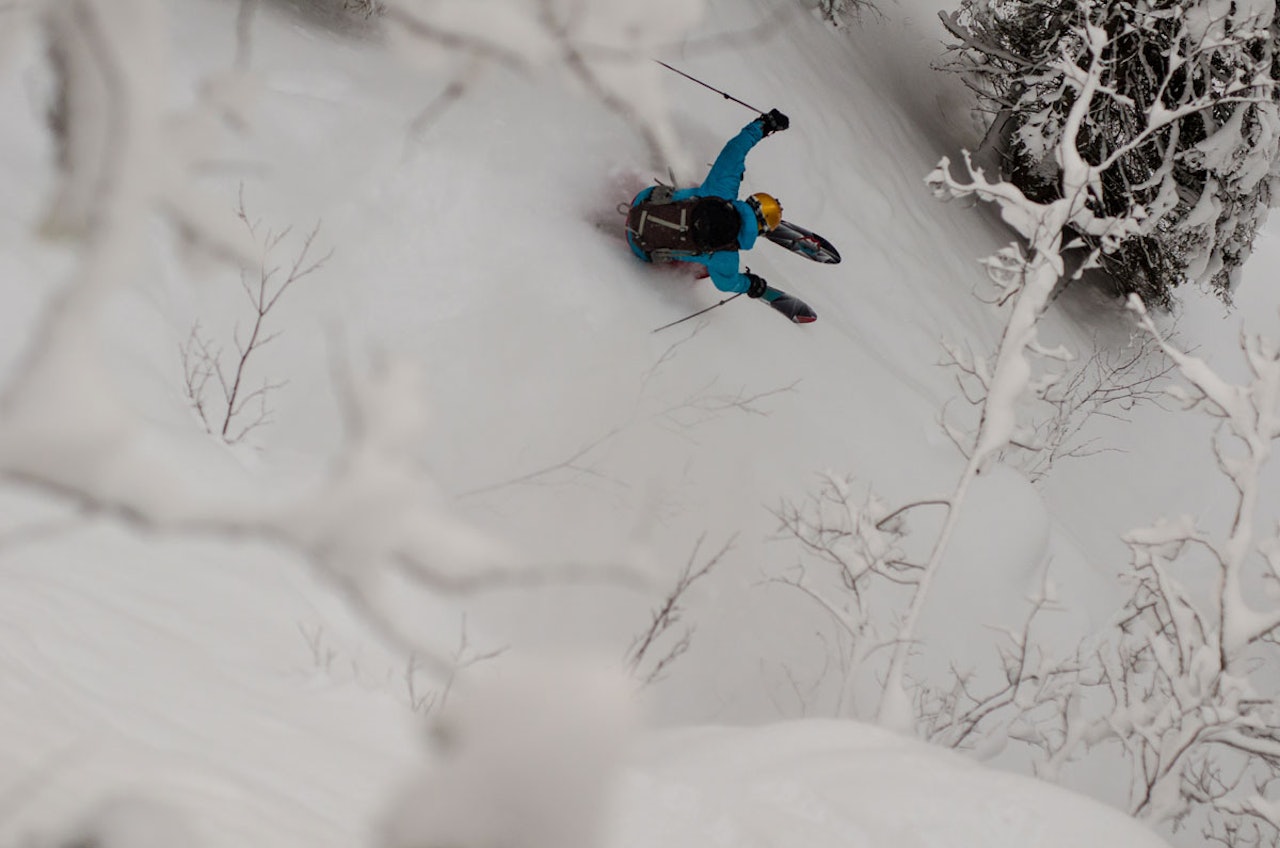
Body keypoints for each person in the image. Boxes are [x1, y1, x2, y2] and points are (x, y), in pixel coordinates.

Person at [625, 109, 790, 302]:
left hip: (641, 202)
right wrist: (749, 284)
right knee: (706, 266)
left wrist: (765, 124)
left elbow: (736, 148)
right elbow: (726, 284)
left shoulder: (722, 189)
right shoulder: (727, 256)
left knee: (696, 193)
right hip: (640, 248)